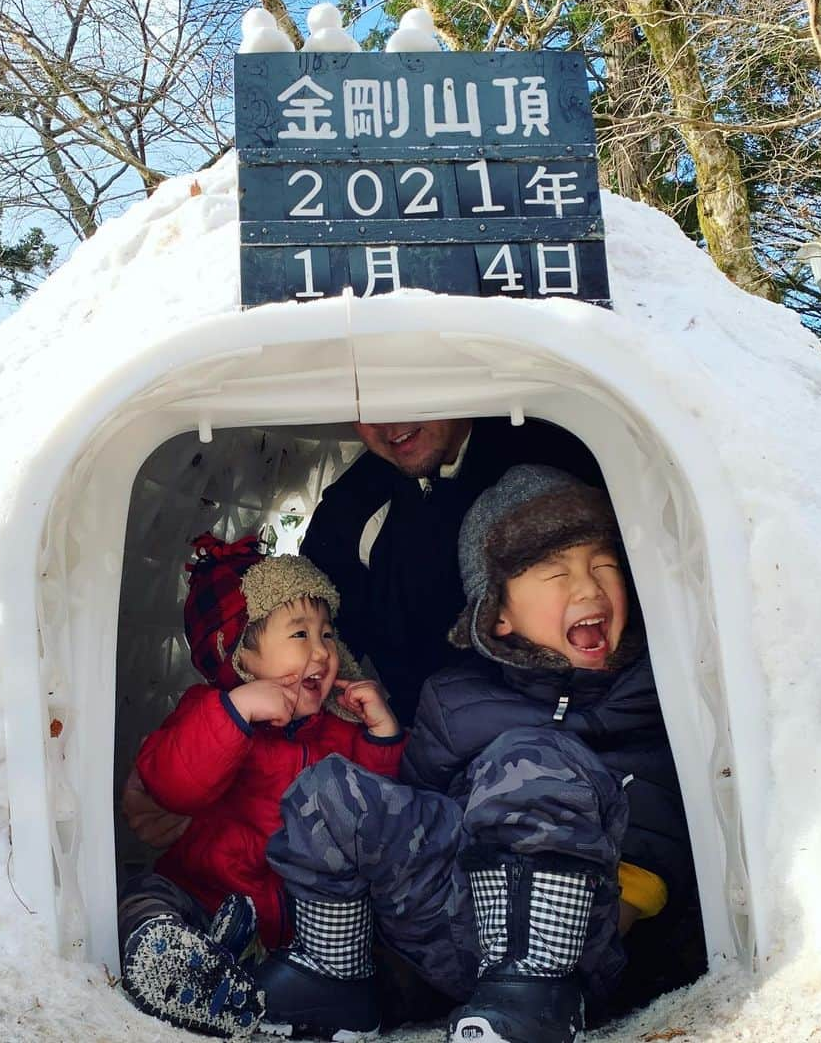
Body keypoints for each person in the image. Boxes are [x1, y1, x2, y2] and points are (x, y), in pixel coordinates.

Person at [255, 466, 699, 1043]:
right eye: (555, 573)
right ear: (498, 615)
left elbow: (662, 825)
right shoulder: (454, 695)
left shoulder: (654, 690)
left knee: (532, 761)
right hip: (458, 910)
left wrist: (609, 925)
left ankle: (533, 996)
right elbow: (418, 816)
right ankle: (337, 979)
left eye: (603, 565)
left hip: (573, 931)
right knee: (332, 790)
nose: (588, 589)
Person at [117, 533, 405, 1039]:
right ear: (241, 657)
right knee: (146, 896)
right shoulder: (208, 710)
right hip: (202, 892)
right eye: (299, 635)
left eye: (328, 634)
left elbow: (373, 813)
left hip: (297, 931)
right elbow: (174, 788)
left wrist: (382, 735)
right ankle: (174, 961)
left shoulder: (338, 730)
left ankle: (236, 983)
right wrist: (238, 713)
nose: (321, 652)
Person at [301, 417, 601, 726]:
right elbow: (318, 635)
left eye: (403, 391)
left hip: (582, 714)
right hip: (424, 732)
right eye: (366, 410)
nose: (389, 424)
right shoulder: (350, 506)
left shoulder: (563, 456)